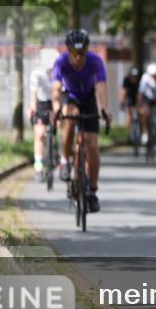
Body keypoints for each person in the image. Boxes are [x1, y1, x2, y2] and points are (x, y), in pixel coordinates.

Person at [52, 29, 110, 213]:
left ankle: (92, 190)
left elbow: (101, 88)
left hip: (88, 98)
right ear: (68, 51)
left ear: (86, 51)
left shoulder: (95, 61)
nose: (78, 58)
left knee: (92, 144)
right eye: (74, 53)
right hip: (70, 96)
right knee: (70, 114)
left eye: (82, 53)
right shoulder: (60, 62)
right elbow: (55, 91)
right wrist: (56, 110)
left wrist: (104, 109)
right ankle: (64, 160)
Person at [28, 48, 58, 181]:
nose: (50, 72)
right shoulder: (37, 72)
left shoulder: (60, 71)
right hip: (41, 102)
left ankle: (56, 154)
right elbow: (33, 91)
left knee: (61, 126)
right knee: (39, 134)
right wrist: (33, 106)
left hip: (56, 101)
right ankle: (38, 165)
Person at [138, 63, 156, 149]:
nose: (154, 77)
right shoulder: (145, 78)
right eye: (152, 75)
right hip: (148, 98)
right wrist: (140, 106)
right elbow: (141, 93)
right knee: (145, 114)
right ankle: (145, 132)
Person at [120, 67, 141, 142]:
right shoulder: (126, 80)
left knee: (141, 113)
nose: (134, 78)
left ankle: (142, 131)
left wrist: (140, 106)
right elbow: (124, 91)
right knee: (130, 114)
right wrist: (122, 102)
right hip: (130, 98)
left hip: (139, 97)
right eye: (132, 76)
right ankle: (129, 133)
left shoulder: (141, 81)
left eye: (135, 76)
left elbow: (141, 94)